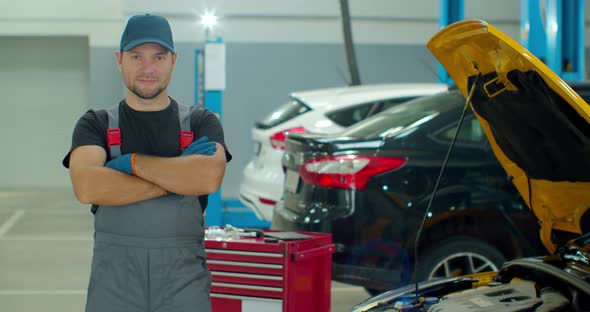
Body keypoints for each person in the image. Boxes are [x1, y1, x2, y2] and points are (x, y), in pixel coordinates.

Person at [62, 14, 231, 312]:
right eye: (136, 56)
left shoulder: (200, 122)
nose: (148, 68)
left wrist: (131, 164)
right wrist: (177, 176)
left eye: (159, 56)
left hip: (184, 283)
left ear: (173, 60)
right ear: (119, 60)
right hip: (114, 284)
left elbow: (207, 178)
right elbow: (87, 186)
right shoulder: (95, 124)